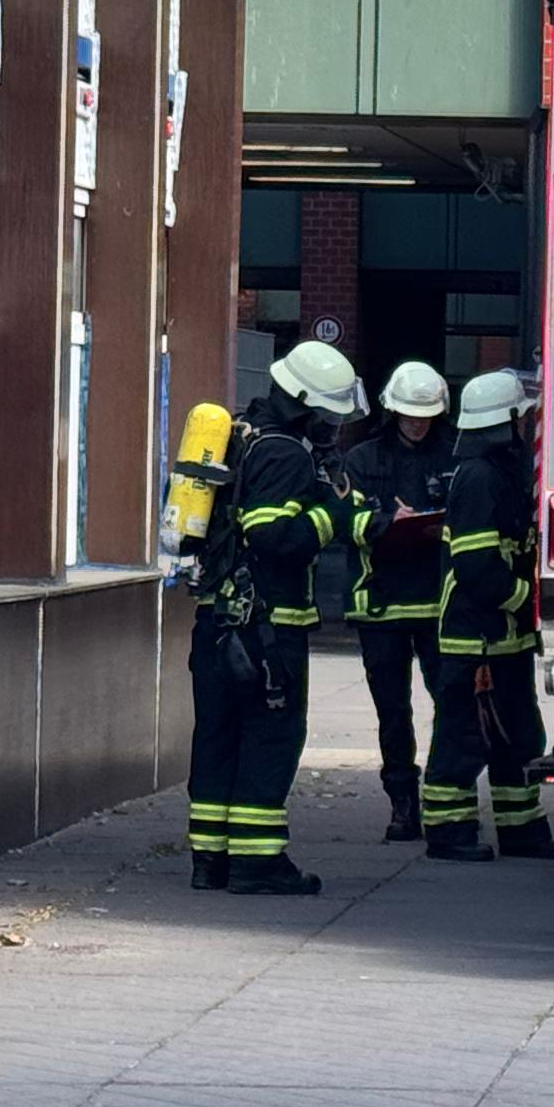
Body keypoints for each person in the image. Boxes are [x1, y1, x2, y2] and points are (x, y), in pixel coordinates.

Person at [179, 344, 370, 896]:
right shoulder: (286, 453)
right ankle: (258, 862)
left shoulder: (241, 437)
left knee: (218, 735)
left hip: (217, 619)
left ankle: (209, 859)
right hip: (266, 627)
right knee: (271, 735)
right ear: (305, 405)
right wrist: (332, 515)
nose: (332, 424)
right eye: (328, 414)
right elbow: (271, 537)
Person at [421, 367, 554, 862]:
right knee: (461, 739)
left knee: (516, 736)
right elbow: (479, 567)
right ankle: (448, 832)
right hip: (475, 640)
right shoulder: (480, 479)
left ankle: (522, 829)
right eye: (519, 422)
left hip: (504, 640)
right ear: (504, 424)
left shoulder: (497, 473)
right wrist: (527, 599)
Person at [338, 360, 457, 844]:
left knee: (449, 704)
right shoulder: (363, 459)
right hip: (381, 605)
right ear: (392, 409)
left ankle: (446, 800)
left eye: (424, 414)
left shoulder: (453, 454)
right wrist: (388, 520)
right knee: (393, 712)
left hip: (437, 604)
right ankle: (402, 806)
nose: (416, 422)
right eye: (409, 413)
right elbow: (346, 521)